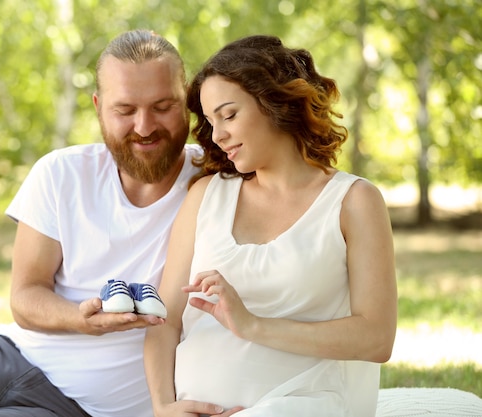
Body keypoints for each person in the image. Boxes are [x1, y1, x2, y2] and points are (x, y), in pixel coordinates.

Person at [0, 29, 216, 417]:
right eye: (125, 110)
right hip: (4, 354)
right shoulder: (62, 172)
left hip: (76, 408)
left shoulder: (217, 187)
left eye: (162, 106)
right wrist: (79, 319)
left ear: (188, 104)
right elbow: (25, 296)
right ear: (98, 107)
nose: (144, 126)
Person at [144, 35, 398, 417]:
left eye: (229, 115)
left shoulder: (353, 201)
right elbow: (166, 319)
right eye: (211, 122)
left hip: (304, 403)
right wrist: (164, 406)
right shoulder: (206, 196)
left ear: (275, 103)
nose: (218, 135)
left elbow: (376, 338)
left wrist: (252, 325)